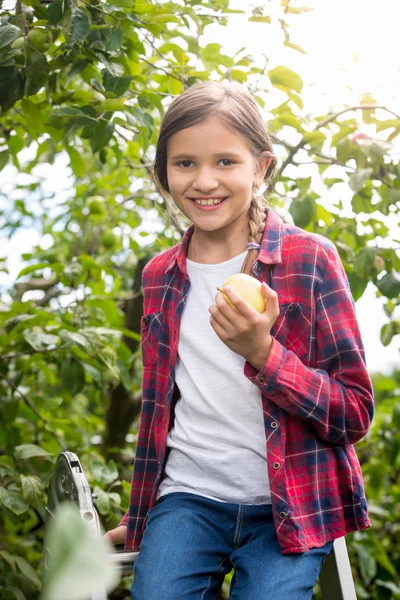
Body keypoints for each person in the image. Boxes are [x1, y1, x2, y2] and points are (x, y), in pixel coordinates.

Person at [105, 81, 374, 599]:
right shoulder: (161, 275)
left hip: (289, 503)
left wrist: (264, 354)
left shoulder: (310, 260)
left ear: (262, 167)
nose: (204, 181)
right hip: (188, 500)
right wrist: (140, 519)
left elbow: (354, 413)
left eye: (225, 161)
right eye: (184, 163)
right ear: (162, 172)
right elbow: (160, 411)